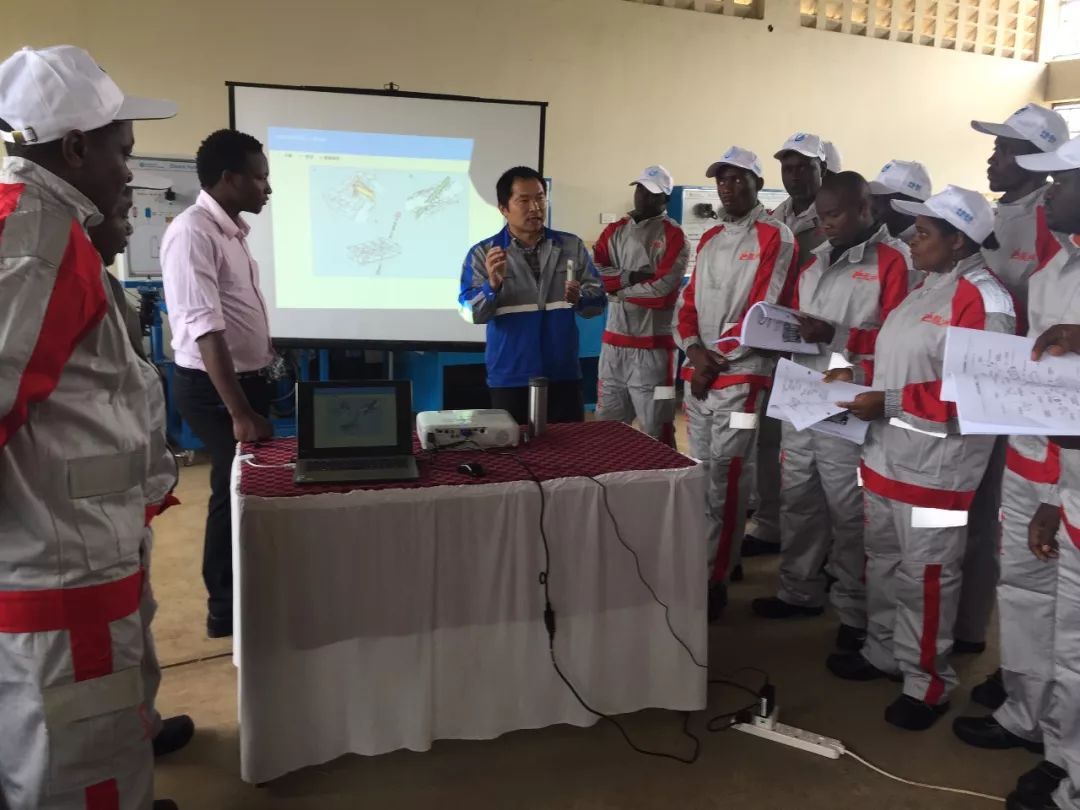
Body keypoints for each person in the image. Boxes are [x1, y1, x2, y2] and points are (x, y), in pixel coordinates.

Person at [0, 44, 180, 810]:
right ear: (74, 148)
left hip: (81, 552)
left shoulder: (49, 232)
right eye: (122, 152)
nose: (127, 172)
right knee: (81, 763)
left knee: (103, 734)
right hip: (59, 572)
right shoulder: (36, 243)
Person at [826, 186, 1016, 731]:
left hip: (940, 471)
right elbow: (905, 367)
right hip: (888, 458)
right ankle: (883, 650)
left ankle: (926, 683)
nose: (911, 239)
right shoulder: (925, 285)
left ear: (959, 241)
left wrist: (885, 401)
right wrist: (858, 377)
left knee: (927, 574)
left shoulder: (985, 301)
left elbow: (979, 393)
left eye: (925, 233)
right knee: (884, 560)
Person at [955, 138, 1080, 801]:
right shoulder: (1055, 269)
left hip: (1074, 474)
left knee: (1075, 632)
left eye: (1061, 181)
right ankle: (1029, 716)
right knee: (1027, 599)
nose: (1049, 194)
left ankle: (1069, 760)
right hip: (1034, 457)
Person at [752, 172, 913, 651]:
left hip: (851, 399)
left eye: (835, 214)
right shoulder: (815, 260)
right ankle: (799, 590)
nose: (825, 224)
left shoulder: (893, 260)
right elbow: (801, 322)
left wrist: (835, 335)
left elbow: (899, 340)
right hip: (802, 393)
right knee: (798, 497)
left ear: (866, 209)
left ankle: (854, 610)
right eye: (821, 216)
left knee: (847, 510)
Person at [90, 179, 196, 760]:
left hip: (122, 503)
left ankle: (142, 727)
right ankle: (117, 757)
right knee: (98, 647)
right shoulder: (44, 273)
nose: (131, 225)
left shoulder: (99, 278)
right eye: (120, 213)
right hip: (80, 517)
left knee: (135, 618)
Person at [161, 129, 277, 639]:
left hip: (246, 380)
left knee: (247, 488)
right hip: (214, 390)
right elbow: (205, 330)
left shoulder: (230, 231)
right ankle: (224, 609)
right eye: (259, 177)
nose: (267, 187)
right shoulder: (193, 232)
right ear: (229, 179)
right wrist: (240, 413)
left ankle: (248, 590)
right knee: (230, 490)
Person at [674, 146, 798, 620]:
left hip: (744, 378)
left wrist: (714, 360)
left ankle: (714, 579)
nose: (727, 187)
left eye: (737, 179)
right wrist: (694, 352)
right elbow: (687, 304)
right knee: (703, 474)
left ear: (757, 183)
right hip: (701, 376)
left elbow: (762, 310)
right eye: (721, 180)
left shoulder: (775, 236)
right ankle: (718, 556)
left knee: (727, 478)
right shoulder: (709, 237)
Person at [459, 166, 605, 424]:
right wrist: (492, 286)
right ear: (503, 209)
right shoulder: (484, 254)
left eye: (540, 198)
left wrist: (580, 299)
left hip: (563, 373)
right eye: (524, 200)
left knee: (570, 446)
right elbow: (470, 313)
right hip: (510, 375)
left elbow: (599, 302)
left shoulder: (570, 246)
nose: (535, 207)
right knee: (512, 445)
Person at [593, 165, 688, 445]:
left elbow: (661, 293)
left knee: (656, 430)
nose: (644, 197)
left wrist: (616, 291)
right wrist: (631, 277)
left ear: (665, 199)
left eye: (652, 193)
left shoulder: (674, 235)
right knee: (606, 428)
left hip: (654, 352)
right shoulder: (614, 231)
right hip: (613, 349)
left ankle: (664, 474)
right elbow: (595, 274)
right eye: (640, 189)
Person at [868, 159, 933, 243]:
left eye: (878, 196)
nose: (871, 204)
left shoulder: (928, 244)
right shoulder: (876, 235)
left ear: (909, 202)